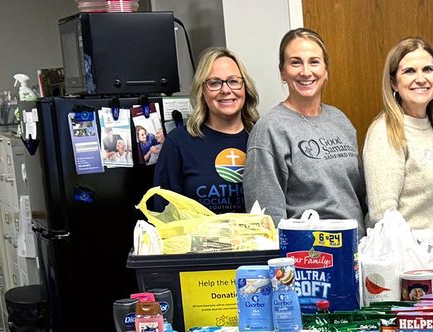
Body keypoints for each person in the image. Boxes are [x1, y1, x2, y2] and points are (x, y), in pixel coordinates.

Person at [243, 28, 365, 229]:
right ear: (282, 71)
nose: (306, 72)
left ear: (326, 71)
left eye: (314, 62)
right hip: (309, 254)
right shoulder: (270, 129)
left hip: (355, 249)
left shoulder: (340, 121)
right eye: (295, 62)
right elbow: (266, 218)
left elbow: (358, 196)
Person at [363, 37, 433, 231]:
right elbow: (382, 216)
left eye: (427, 69)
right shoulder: (386, 131)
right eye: (409, 71)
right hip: (409, 257)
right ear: (393, 83)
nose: (421, 78)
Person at [154, 47, 258, 215]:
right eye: (214, 83)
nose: (225, 90)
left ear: (244, 86)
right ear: (202, 90)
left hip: (257, 240)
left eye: (233, 81)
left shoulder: (262, 137)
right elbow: (163, 211)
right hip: (196, 241)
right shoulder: (179, 142)